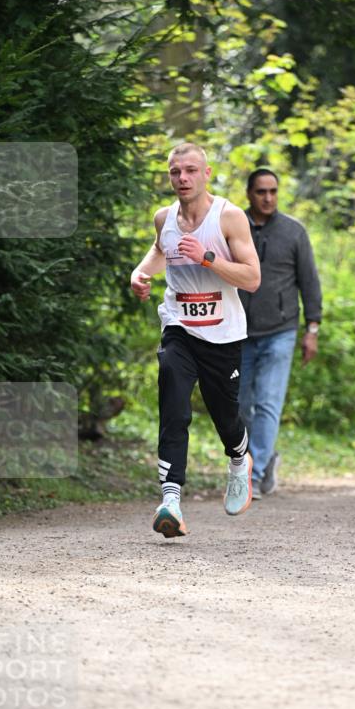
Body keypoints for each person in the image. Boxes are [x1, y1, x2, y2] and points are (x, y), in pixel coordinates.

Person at [130, 143, 261, 538]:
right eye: (175, 172)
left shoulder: (230, 217)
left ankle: (240, 459)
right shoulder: (164, 217)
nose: (182, 178)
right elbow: (159, 251)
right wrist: (141, 273)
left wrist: (208, 258)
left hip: (223, 335)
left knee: (224, 414)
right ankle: (170, 499)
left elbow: (252, 278)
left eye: (190, 171)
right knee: (172, 394)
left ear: (206, 174)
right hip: (179, 327)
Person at [238, 168, 322, 498]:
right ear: (249, 194)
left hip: (281, 331)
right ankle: (258, 460)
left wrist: (312, 328)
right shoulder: (233, 226)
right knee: (240, 406)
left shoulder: (293, 232)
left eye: (273, 191)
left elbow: (310, 282)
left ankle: (254, 476)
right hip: (238, 333)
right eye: (261, 191)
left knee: (269, 403)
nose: (268, 197)